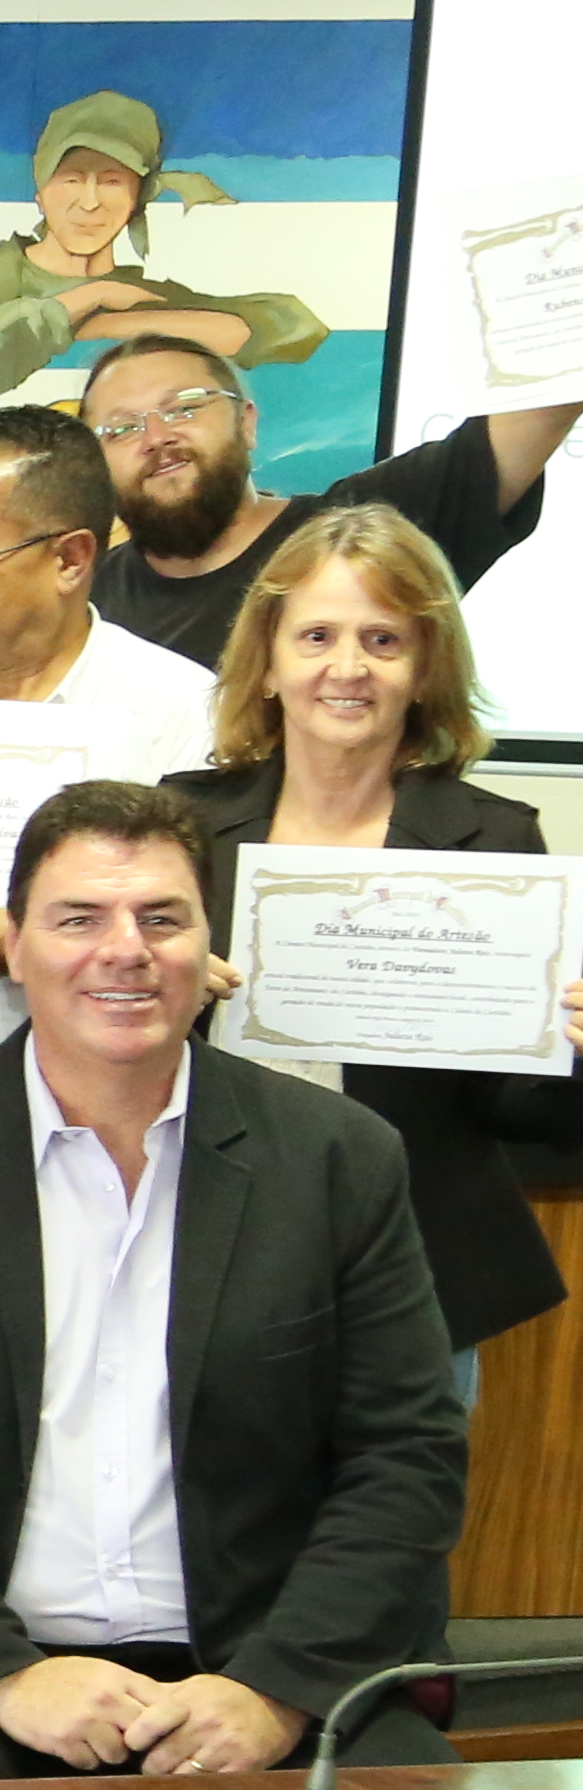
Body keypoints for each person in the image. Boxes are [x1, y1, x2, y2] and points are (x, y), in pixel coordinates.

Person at [0, 782, 466, 1789]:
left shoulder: (336, 1158)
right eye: (77, 919)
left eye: (160, 918)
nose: (125, 950)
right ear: (12, 947)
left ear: (207, 949)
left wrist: (273, 1691)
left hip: (252, 1667)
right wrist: (1, 1673)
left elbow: (403, 1455)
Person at [164, 510, 583, 1373]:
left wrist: (570, 1045)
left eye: (383, 639)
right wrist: (158, 990)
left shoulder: (494, 843)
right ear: (268, 660)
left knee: (401, 1509)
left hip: (411, 1279)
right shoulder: (182, 826)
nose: (346, 668)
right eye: (315, 635)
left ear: (425, 668)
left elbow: (508, 1104)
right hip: (199, 1260)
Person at [0, 406, 227, 1095]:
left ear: (68, 558)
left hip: (114, 1115)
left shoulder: (178, 712)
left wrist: (17, 944)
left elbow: (198, 952)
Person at [81, 330, 571, 674]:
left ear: (246, 422)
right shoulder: (81, 601)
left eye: (183, 407)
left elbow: (543, 406)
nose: (156, 437)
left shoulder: (362, 531)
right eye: (121, 428)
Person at [0, 91, 327, 412]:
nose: (90, 202)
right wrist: (87, 299)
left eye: (112, 182)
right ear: (41, 191)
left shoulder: (138, 297)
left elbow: (293, 326)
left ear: (138, 199)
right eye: (72, 179)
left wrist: (109, 324)